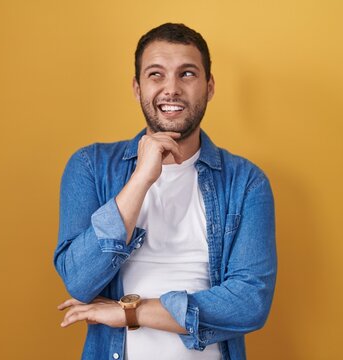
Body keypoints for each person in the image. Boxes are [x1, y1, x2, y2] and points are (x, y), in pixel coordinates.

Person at [53, 23, 277, 360]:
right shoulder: (90, 166)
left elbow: (250, 303)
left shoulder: (246, 182)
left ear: (210, 86)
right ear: (137, 87)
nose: (171, 89)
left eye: (187, 74)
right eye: (156, 75)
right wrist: (141, 178)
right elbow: (80, 281)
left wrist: (132, 312)